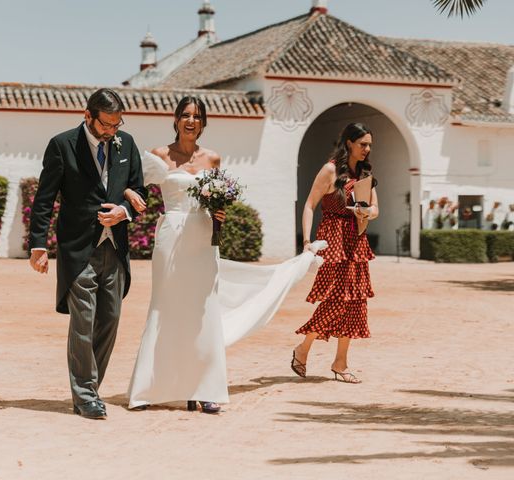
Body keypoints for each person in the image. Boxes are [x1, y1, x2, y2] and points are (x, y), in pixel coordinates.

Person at [124, 96, 324, 414]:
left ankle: (205, 389)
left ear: (204, 123)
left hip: (203, 239)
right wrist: (129, 198)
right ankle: (149, 388)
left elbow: (217, 202)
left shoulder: (212, 159)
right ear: (175, 120)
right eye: (185, 115)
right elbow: (128, 184)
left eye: (197, 116)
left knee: (203, 311)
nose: (191, 120)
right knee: (165, 307)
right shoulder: (158, 155)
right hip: (170, 236)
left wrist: (220, 214)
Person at [28, 88, 146, 420]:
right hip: (78, 248)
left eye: (116, 124)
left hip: (116, 247)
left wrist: (124, 211)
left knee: (109, 319)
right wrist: (39, 245)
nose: (112, 131)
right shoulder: (62, 144)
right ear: (87, 116)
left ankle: (90, 388)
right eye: (106, 125)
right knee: (84, 321)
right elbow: (44, 198)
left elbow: (137, 189)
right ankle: (85, 395)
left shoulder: (128, 143)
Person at [291, 123, 379, 384]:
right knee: (335, 300)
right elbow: (309, 204)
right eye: (363, 144)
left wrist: (366, 212)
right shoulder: (330, 170)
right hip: (333, 239)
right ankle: (303, 348)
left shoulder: (365, 174)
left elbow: (376, 209)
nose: (367, 149)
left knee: (355, 303)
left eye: (369, 145)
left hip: (356, 240)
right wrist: (307, 240)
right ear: (349, 143)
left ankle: (340, 362)